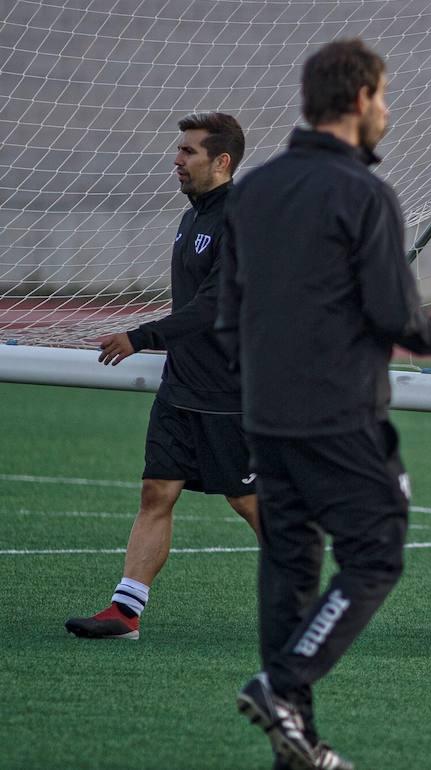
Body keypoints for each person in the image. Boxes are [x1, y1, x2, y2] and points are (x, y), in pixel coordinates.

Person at [221, 39, 431, 769]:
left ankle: (295, 743)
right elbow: (392, 312)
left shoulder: (251, 190)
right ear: (364, 97)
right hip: (338, 414)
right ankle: (284, 685)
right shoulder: (363, 193)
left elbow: (227, 313)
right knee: (374, 553)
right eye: (386, 96)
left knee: (289, 567)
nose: (388, 110)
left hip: (264, 416)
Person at [65, 112, 255, 641]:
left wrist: (141, 336)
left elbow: (217, 305)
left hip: (228, 391)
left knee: (249, 502)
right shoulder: (193, 215)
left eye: (189, 152)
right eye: (179, 150)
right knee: (156, 491)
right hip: (182, 385)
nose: (177, 160)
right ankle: (125, 612)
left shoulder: (240, 217)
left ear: (222, 161)